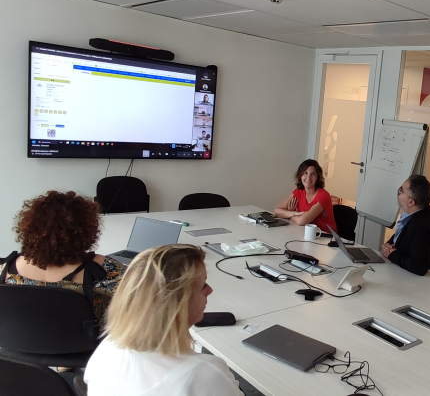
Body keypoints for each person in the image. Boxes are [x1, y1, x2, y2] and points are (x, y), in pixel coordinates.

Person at [84, 244, 244, 396]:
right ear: (177, 304)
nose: (210, 290)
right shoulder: (203, 373)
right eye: (203, 286)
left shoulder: (106, 348)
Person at [0, 190, 126, 325]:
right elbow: (141, 293)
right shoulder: (102, 270)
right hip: (88, 338)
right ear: (85, 231)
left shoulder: (5, 269)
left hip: (20, 338)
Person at [380, 175, 430, 276]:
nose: (398, 193)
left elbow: (418, 267)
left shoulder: (422, 226)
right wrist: (387, 247)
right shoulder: (412, 215)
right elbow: (396, 241)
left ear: (411, 202)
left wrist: (392, 254)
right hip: (403, 273)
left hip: (420, 281)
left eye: (401, 191)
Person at [274, 159, 337, 233]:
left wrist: (288, 215)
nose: (308, 177)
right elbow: (277, 211)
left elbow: (302, 221)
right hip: (305, 233)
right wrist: (294, 213)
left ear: (317, 177)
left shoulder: (323, 195)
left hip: (325, 236)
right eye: (305, 173)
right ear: (300, 175)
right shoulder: (299, 191)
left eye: (313, 174)